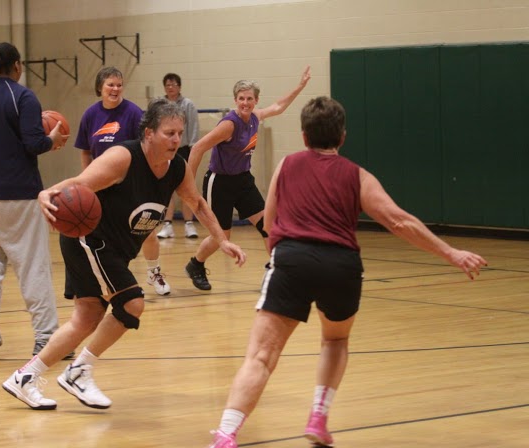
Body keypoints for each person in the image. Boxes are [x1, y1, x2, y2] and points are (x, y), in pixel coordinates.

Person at [206, 96, 488, 448]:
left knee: (262, 356)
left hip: (292, 259)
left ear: (304, 135)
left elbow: (271, 221)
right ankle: (318, 419)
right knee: (336, 339)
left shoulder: (288, 165)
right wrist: (451, 252)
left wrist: (281, 260)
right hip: (342, 266)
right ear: (342, 136)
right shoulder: (357, 175)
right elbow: (398, 220)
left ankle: (226, 436)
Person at [2, 98, 247, 411]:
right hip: (90, 240)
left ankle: (24, 377)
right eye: (169, 133)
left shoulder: (177, 169)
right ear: (148, 133)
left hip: (114, 249)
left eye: (179, 134)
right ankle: (79, 371)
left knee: (86, 319)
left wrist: (220, 240)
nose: (176, 140)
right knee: (132, 303)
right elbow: (79, 184)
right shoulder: (122, 158)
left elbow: (196, 202)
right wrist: (47, 191)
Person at [0, 42, 68, 362]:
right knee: (33, 268)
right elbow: (34, 144)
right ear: (17, 65)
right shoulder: (23, 96)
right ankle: (48, 339)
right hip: (19, 195)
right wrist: (53, 139)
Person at [185, 67, 311, 290]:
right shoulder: (228, 125)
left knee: (267, 225)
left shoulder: (255, 117)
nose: (245, 102)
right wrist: (188, 185)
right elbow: (197, 149)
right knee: (220, 236)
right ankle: (196, 264)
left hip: (243, 181)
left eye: (249, 98)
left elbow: (279, 106)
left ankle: (274, 270)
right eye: (241, 98)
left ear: (256, 100)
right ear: (235, 100)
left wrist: (300, 86)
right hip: (220, 182)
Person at [71, 66, 172, 295]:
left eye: (119, 85)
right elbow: (86, 150)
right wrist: (88, 179)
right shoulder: (90, 115)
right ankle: (120, 280)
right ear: (100, 87)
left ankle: (153, 271)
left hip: (131, 182)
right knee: (108, 235)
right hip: (103, 184)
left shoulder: (135, 113)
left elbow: (148, 148)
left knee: (145, 232)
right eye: (110, 85)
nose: (115, 89)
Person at [156, 73, 200, 239]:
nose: (171, 87)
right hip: (164, 150)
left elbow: (194, 126)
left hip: (183, 150)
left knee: (186, 187)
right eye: (167, 85)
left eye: (173, 84)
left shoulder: (187, 104)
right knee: (166, 187)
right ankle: (167, 224)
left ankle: (189, 223)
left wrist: (193, 149)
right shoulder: (161, 105)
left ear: (179, 87)